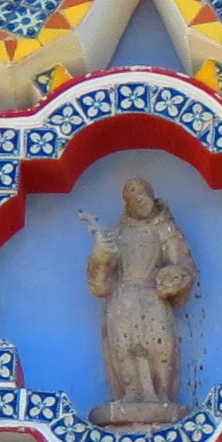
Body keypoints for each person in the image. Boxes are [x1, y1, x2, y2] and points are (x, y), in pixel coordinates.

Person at [83, 175, 198, 425]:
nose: (139, 199)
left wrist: (174, 277)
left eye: (142, 193)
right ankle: (130, 393)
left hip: (152, 296)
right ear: (126, 203)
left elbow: (184, 264)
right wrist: (101, 257)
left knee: (159, 346)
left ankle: (158, 394)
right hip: (122, 298)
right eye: (132, 195)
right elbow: (101, 285)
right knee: (124, 346)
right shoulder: (118, 234)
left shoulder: (166, 230)